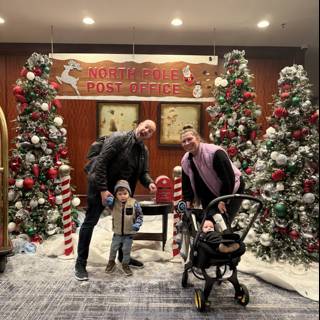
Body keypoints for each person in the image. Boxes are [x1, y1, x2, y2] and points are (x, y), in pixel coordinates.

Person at [75, 119, 157, 281]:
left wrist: (150, 183)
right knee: (90, 222)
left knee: (125, 223)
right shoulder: (119, 138)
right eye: (146, 127)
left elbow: (143, 173)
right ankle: (80, 263)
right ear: (139, 125)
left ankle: (123, 257)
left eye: (151, 131)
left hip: (123, 192)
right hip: (100, 185)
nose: (147, 131)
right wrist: (103, 190)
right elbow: (101, 164)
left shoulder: (143, 151)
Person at [180, 125, 245, 224]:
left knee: (222, 222)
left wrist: (223, 200)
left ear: (197, 138)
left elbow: (228, 179)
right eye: (183, 141)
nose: (187, 143)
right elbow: (187, 185)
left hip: (231, 188)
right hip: (208, 193)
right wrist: (188, 201)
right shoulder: (186, 160)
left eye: (189, 139)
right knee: (209, 223)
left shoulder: (214, 152)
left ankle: (224, 237)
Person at [105, 180, 143, 277]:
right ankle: (111, 262)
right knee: (113, 248)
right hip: (117, 233)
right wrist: (108, 202)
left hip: (129, 234)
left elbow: (139, 216)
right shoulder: (113, 203)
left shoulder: (134, 203)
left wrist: (138, 224)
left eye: (125, 193)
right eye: (120, 194)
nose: (122, 196)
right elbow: (106, 205)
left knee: (126, 250)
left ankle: (125, 264)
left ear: (129, 193)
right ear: (116, 195)